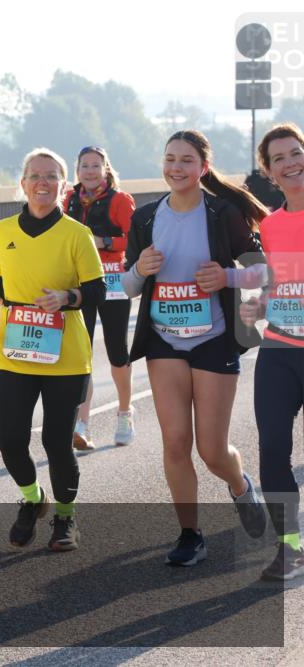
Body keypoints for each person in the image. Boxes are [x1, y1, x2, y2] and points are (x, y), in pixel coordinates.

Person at [122, 129, 269, 566]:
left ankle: (241, 486)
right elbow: (127, 286)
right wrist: (140, 270)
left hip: (214, 339)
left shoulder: (223, 213)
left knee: (211, 450)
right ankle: (190, 534)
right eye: (170, 159)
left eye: (186, 160)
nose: (176, 168)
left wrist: (227, 277)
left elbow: (260, 271)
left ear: (203, 167)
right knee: (174, 442)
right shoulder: (146, 217)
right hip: (164, 341)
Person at [0, 147, 105, 552]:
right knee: (9, 439)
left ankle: (66, 518)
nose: (43, 182)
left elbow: (97, 290)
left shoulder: (77, 233)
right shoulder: (2, 232)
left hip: (66, 356)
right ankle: (33, 498)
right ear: (22, 184)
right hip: (15, 352)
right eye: (35, 175)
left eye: (51, 176)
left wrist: (67, 296)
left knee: (57, 443)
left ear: (62, 185)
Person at [239, 122, 304, 580]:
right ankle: (291, 547)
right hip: (280, 349)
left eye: (296, 152)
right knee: (272, 450)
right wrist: (258, 304)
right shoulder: (271, 225)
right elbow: (279, 282)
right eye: (279, 158)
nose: (290, 162)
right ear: (269, 171)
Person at [63, 146, 137, 449]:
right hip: (82, 283)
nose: (90, 171)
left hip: (114, 281)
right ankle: (83, 423)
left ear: (105, 169)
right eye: (85, 166)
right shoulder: (68, 198)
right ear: (77, 170)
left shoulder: (119, 200)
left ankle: (124, 413)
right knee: (81, 353)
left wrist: (103, 241)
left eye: (96, 166)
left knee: (117, 349)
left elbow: (134, 240)